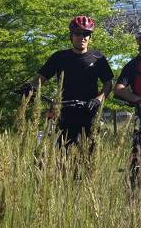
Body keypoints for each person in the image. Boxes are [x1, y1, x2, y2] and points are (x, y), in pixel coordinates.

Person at [22, 15, 114, 147]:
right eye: (77, 33)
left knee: (91, 153)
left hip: (89, 111)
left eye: (86, 34)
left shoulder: (97, 58)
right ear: (71, 36)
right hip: (64, 111)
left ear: (90, 37)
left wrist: (98, 99)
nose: (82, 37)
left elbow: (108, 83)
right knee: (62, 154)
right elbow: (41, 78)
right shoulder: (60, 57)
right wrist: (30, 88)